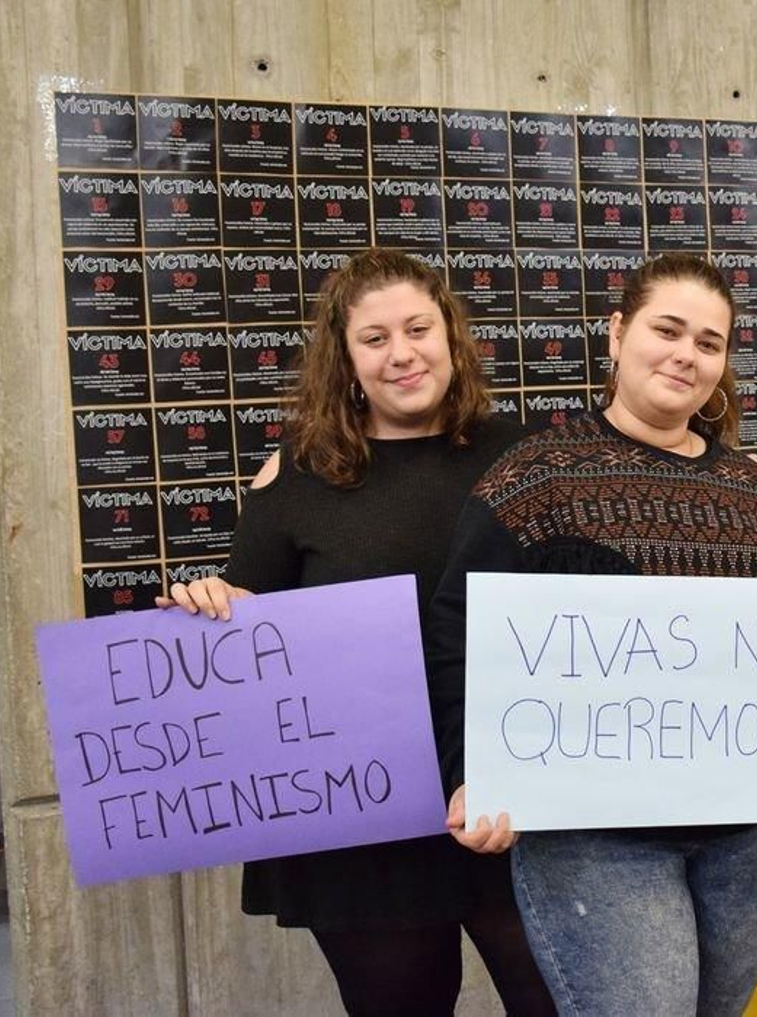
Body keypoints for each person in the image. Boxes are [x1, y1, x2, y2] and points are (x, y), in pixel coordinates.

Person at [423, 253, 757, 1016]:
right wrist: (469, 769)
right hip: (596, 838)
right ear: (617, 333)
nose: (687, 354)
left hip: (747, 836)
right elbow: (457, 632)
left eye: (710, 341)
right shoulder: (536, 479)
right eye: (667, 329)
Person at [157, 248, 554, 1015]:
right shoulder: (299, 473)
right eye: (375, 338)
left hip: (511, 799)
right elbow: (254, 621)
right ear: (345, 356)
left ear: (452, 335)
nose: (401, 353)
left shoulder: (526, 457)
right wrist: (213, 606)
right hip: (363, 823)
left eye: (418, 329)